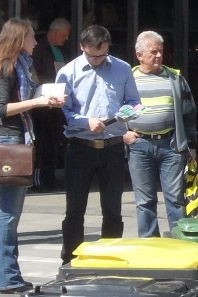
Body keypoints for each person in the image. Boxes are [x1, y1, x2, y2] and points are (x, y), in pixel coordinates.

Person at [0, 18, 65, 292]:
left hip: (22, 138)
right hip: (10, 140)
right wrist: (38, 101)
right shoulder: (7, 66)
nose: (36, 41)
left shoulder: (23, 65)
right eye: (31, 36)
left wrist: (46, 98)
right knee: (9, 213)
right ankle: (7, 276)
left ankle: (10, 274)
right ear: (19, 38)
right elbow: (2, 109)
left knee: (12, 213)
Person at [56, 25, 140, 264]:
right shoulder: (68, 72)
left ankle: (110, 257)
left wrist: (124, 114)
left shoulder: (122, 68)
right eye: (92, 55)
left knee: (113, 209)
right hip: (80, 146)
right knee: (75, 209)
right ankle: (71, 259)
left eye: (102, 54)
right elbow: (64, 110)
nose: (97, 59)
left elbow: (134, 102)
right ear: (82, 47)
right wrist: (85, 122)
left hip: (112, 145)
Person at [123, 31, 197, 237]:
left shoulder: (174, 77)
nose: (158, 56)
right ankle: (149, 242)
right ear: (139, 55)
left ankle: (180, 240)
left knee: (175, 198)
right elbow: (115, 111)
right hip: (140, 146)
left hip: (171, 145)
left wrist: (191, 144)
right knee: (145, 200)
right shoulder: (128, 79)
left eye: (160, 51)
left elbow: (189, 112)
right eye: (153, 52)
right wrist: (123, 134)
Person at [31, 17, 70, 192]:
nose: (66, 39)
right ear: (55, 33)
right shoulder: (39, 49)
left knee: (53, 143)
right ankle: (39, 180)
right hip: (42, 105)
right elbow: (36, 75)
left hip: (56, 105)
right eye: (64, 35)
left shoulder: (60, 51)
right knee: (42, 144)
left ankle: (50, 177)